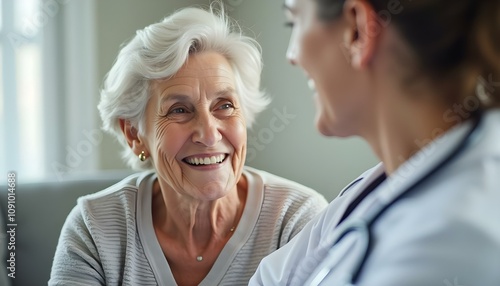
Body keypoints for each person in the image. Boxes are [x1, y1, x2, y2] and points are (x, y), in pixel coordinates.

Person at [48, 5, 328, 286]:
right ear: (134, 134)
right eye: (179, 110)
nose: (208, 134)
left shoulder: (296, 220)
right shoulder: (95, 229)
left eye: (225, 105)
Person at [250, 0, 500, 285]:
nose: (291, 55)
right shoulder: (372, 189)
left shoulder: (455, 242)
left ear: (358, 31)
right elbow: (267, 278)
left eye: (294, 22)